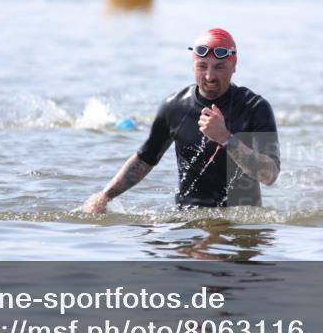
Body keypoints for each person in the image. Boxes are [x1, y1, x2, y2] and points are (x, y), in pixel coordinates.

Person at [84, 28, 280, 213]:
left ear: (234, 65)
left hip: (240, 222)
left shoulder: (254, 108)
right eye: (202, 66)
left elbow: (269, 175)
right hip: (188, 221)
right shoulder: (175, 106)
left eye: (219, 67)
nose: (209, 76)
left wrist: (226, 138)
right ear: (193, 65)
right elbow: (145, 160)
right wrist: (104, 196)